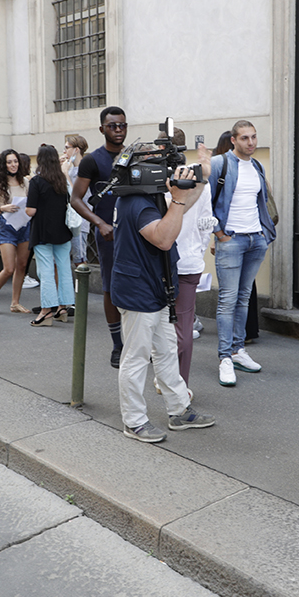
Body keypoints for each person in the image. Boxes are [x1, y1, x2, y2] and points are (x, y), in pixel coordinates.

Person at [114, 163, 215, 442]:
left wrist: (196, 183)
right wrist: (180, 197)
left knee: (167, 350)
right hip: (139, 290)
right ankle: (134, 422)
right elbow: (164, 239)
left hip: (154, 288)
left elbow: (179, 207)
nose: (168, 172)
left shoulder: (148, 197)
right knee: (136, 357)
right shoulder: (138, 203)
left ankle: (179, 409)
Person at [209, 120, 276, 387]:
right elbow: (205, 203)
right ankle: (225, 357)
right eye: (245, 138)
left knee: (244, 299)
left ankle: (238, 351)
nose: (251, 142)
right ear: (234, 140)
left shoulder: (257, 166)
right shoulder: (219, 164)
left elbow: (262, 201)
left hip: (255, 240)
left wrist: (262, 233)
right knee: (228, 300)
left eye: (254, 137)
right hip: (231, 240)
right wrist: (219, 234)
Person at [71, 107, 129, 366]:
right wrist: (99, 223)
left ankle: (137, 341)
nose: (118, 130)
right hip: (108, 234)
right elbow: (75, 199)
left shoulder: (135, 156)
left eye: (122, 126)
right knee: (110, 287)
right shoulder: (92, 160)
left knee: (138, 285)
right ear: (102, 129)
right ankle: (117, 345)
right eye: (113, 126)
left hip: (137, 233)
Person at [170, 129, 214, 388]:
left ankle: (173, 380)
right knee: (183, 327)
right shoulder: (198, 178)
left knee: (167, 326)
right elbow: (206, 222)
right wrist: (198, 250)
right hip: (186, 261)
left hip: (176, 261)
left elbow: (204, 221)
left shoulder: (162, 180)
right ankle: (180, 384)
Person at [26, 145, 75, 326]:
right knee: (64, 270)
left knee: (46, 271)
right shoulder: (62, 180)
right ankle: (63, 307)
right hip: (63, 230)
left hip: (42, 231)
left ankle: (46, 311)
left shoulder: (36, 181)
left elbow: (30, 211)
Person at [0, 149, 32, 314]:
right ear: (4, 164)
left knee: (22, 265)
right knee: (9, 268)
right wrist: (4, 208)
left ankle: (15, 302)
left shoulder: (26, 182)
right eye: (10, 162)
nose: (13, 165)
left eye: (15, 161)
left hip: (25, 224)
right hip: (6, 226)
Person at [61, 134, 90, 264]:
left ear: (76, 150)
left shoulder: (84, 170)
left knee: (80, 259)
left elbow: (77, 196)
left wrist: (66, 173)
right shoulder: (71, 169)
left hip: (80, 221)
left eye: (67, 147)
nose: (64, 151)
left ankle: (83, 285)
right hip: (68, 219)